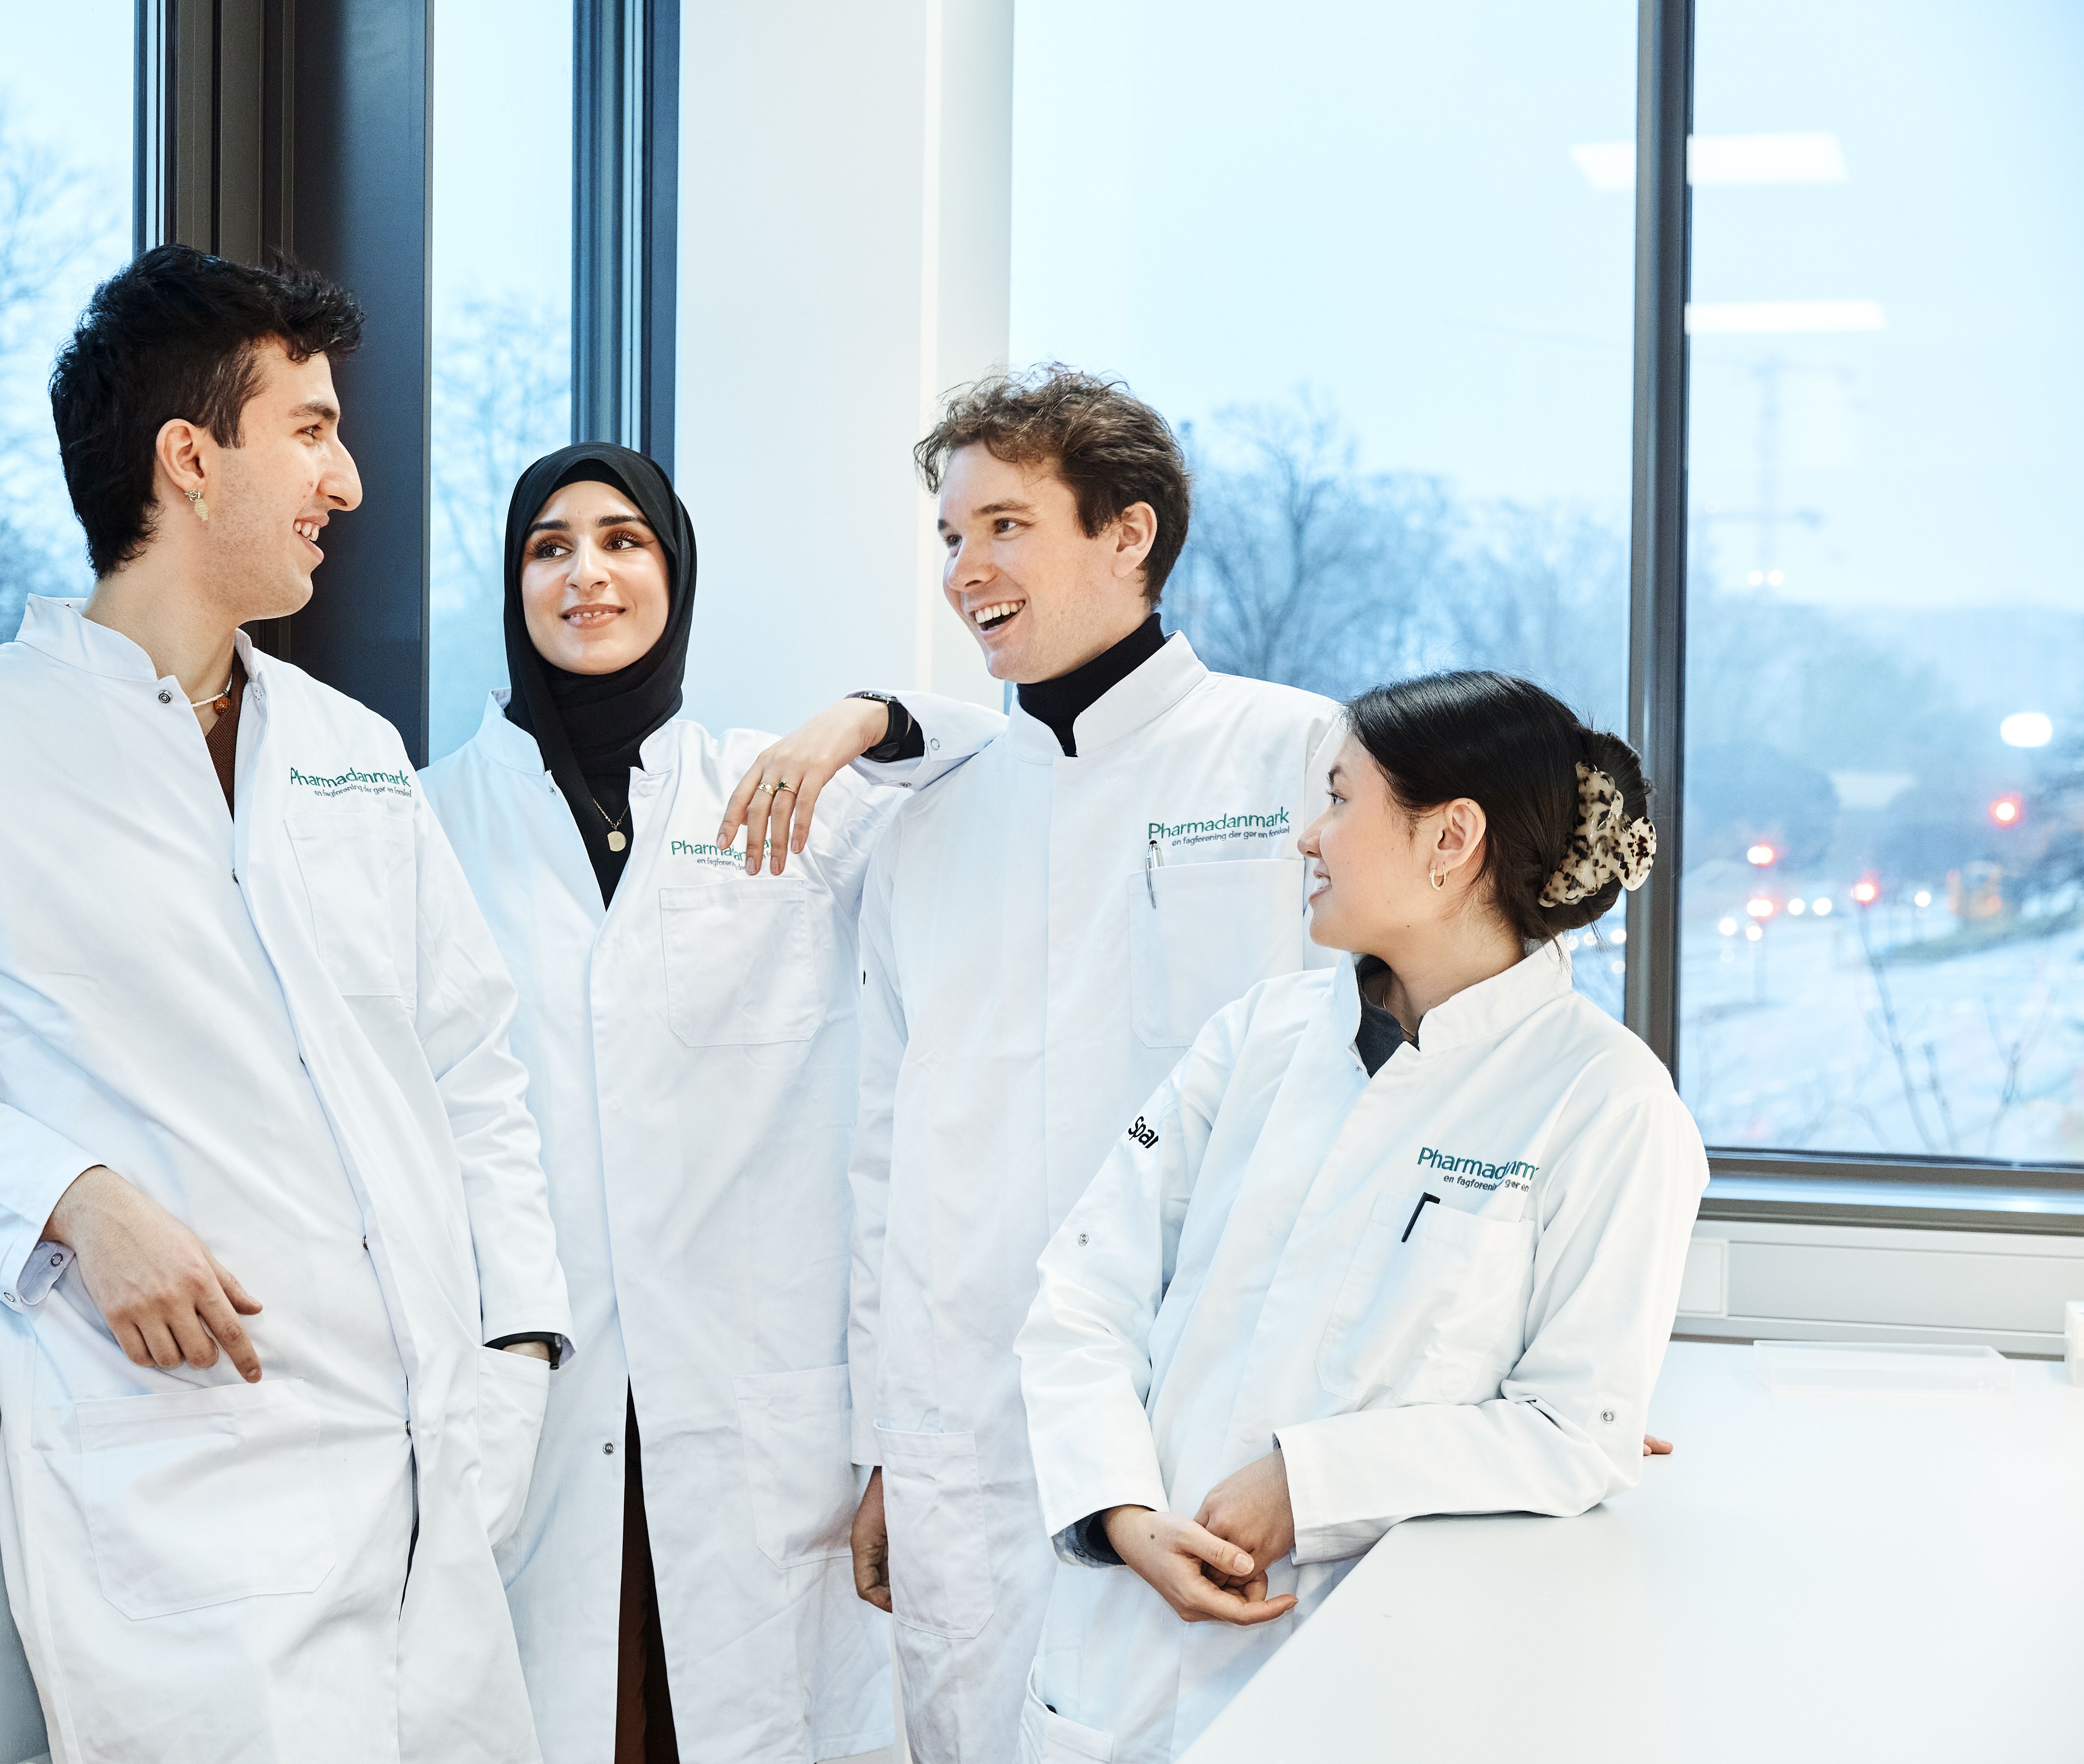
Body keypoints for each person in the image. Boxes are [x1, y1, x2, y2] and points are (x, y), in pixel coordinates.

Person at [0, 245, 570, 1764]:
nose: (351, 478)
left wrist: (518, 1352)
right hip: (191, 1494)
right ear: (191, 460)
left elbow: (472, 1070)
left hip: (437, 1480)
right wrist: (74, 1196)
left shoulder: (350, 747)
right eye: (311, 429)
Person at [420, 442, 1002, 1764]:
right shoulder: (435, 815)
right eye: (549, 547)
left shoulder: (781, 791)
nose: (587, 574)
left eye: (624, 541)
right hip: (540, 1388)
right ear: (513, 585)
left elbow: (998, 767)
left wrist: (860, 715)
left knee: (744, 1716)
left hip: (751, 1398)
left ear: (674, 574)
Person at [1015, 671, 1707, 1760]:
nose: (1309, 837)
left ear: (1453, 839)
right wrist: (1119, 1511)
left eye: (1341, 800)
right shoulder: (1258, 1036)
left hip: (1368, 1675)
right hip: (1122, 1659)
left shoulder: (1609, 1105)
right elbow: (1085, 1285)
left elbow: (1577, 1432)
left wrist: (1309, 1483)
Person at [844, 367, 1344, 1764]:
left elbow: (1396, 1086)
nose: (966, 570)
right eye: (949, 537)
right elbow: (881, 1151)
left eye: (1004, 525)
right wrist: (891, 1441)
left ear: (1129, 534)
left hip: (1202, 1416)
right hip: (968, 1420)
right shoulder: (933, 824)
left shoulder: (1294, 758)